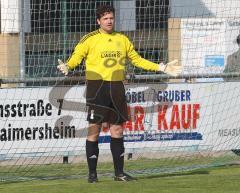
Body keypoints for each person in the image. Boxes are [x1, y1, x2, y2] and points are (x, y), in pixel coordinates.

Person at [57, 5, 181, 183]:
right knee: (94, 130)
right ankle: (92, 175)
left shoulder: (122, 39)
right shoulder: (89, 39)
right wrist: (68, 65)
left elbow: (137, 60)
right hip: (96, 88)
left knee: (117, 129)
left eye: (111, 18)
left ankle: (119, 173)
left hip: (116, 88)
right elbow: (77, 56)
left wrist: (160, 67)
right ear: (98, 21)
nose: (109, 21)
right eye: (105, 18)